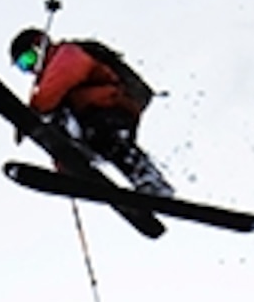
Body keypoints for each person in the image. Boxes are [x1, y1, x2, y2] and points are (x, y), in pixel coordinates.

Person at [10, 26, 173, 196]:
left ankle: (149, 178)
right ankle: (83, 165)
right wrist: (64, 159)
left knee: (105, 137)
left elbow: (64, 74)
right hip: (88, 119)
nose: (30, 68)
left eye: (29, 59)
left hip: (111, 105)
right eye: (23, 66)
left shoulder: (66, 53)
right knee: (80, 131)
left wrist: (31, 112)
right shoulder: (48, 83)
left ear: (40, 45)